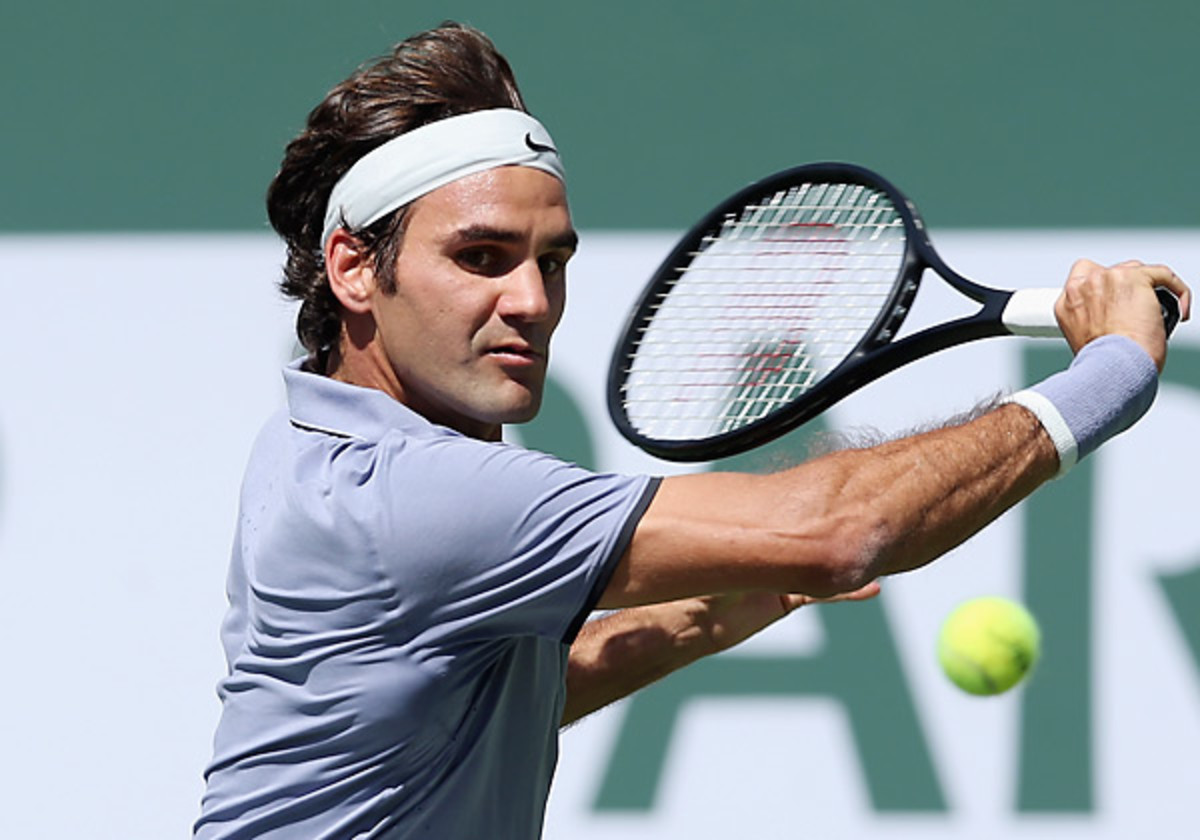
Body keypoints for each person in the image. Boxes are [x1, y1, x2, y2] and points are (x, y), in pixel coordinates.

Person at [194, 21, 1190, 840]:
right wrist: (1112, 373)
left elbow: (493, 694)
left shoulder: (311, 445)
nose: (531, 301)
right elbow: (847, 531)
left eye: (551, 260)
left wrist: (714, 615)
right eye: (482, 256)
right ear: (355, 267)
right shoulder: (415, 497)